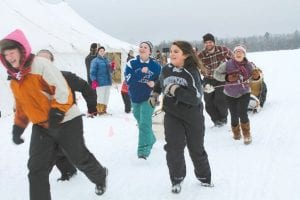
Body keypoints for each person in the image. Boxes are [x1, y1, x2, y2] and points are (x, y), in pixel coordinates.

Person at [0, 29, 108, 199]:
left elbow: (62, 91)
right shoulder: (15, 79)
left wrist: (57, 113)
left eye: (12, 52)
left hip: (67, 120)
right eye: (5, 55)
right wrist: (18, 127)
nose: (9, 57)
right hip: (42, 125)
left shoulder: (41, 66)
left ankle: (100, 176)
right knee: (36, 168)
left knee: (78, 157)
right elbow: (22, 105)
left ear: (22, 50)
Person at [149, 41, 212, 193]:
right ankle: (176, 179)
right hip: (172, 114)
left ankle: (204, 178)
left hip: (192, 115)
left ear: (186, 54)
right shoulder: (166, 69)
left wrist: (175, 89)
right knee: (173, 148)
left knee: (196, 148)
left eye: (176, 51)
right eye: (171, 51)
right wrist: (155, 93)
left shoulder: (192, 72)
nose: (172, 54)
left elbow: (195, 98)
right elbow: (160, 82)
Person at [36, 49, 98, 181]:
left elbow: (85, 87)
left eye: (46, 60)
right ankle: (68, 171)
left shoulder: (64, 76)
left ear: (51, 63)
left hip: (68, 120)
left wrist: (92, 106)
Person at [124, 41, 161, 159]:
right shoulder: (132, 63)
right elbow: (128, 80)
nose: (142, 48)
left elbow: (161, 81)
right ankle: (152, 139)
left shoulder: (156, 66)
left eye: (145, 47)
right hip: (135, 97)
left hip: (150, 98)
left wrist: (154, 83)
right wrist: (141, 72)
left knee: (144, 122)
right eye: (141, 47)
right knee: (141, 122)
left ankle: (143, 152)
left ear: (150, 51)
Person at [213, 45, 254, 145]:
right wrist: (227, 78)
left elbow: (256, 77)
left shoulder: (249, 65)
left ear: (244, 54)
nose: (238, 53)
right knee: (234, 114)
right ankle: (236, 133)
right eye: (236, 52)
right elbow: (216, 74)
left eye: (241, 52)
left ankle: (247, 134)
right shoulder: (227, 64)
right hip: (230, 93)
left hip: (244, 92)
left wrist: (256, 77)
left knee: (242, 113)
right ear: (234, 54)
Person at [198, 33, 233, 127]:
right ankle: (216, 121)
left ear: (214, 42)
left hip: (221, 78)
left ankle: (223, 118)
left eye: (210, 42)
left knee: (219, 99)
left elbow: (234, 60)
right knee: (208, 103)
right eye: (206, 42)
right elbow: (195, 68)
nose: (208, 44)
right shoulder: (201, 55)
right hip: (208, 80)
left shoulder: (223, 50)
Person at [90, 46, 115, 115]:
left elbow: (110, 71)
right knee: (100, 96)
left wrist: (112, 67)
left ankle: (104, 110)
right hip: (100, 82)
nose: (102, 52)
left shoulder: (107, 60)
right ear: (98, 52)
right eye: (101, 51)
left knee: (106, 96)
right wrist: (94, 80)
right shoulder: (95, 61)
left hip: (107, 81)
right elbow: (92, 72)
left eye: (103, 51)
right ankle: (100, 111)